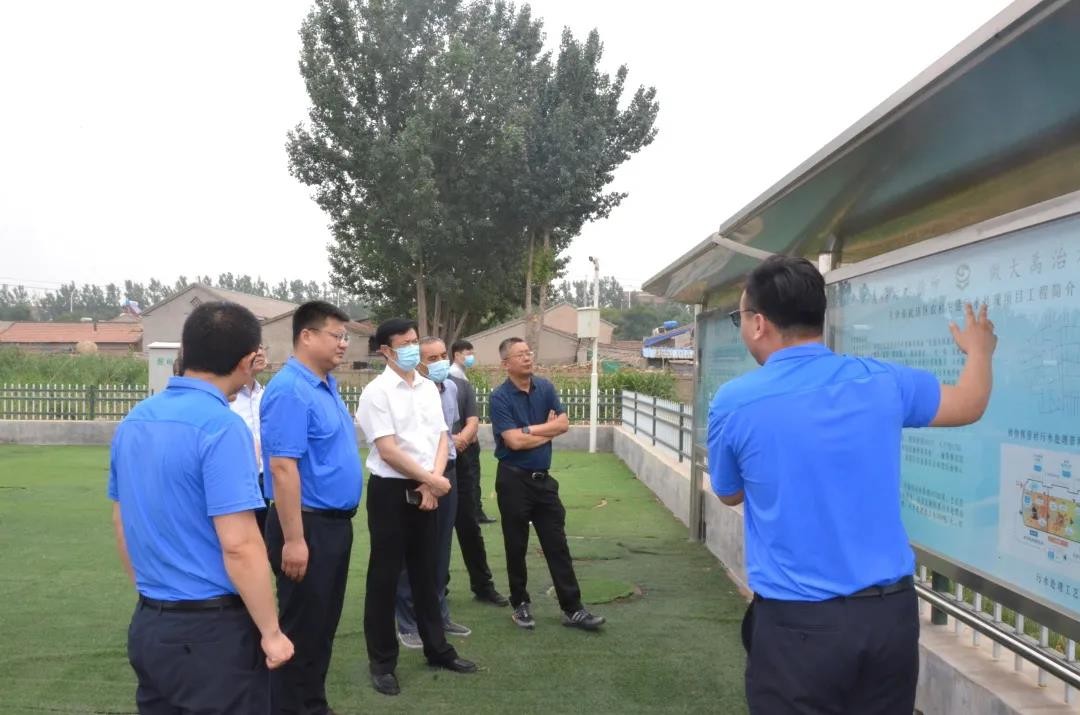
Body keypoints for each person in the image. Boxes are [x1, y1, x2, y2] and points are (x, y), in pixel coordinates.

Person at [707, 255, 997, 714]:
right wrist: (979, 351)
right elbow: (969, 404)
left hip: (797, 626)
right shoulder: (883, 381)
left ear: (758, 323)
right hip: (889, 619)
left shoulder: (734, 402)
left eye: (740, 316)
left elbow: (728, 492)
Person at [108, 301, 294, 714]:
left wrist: (153, 594)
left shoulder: (136, 420)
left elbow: (122, 521)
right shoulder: (222, 426)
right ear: (247, 361)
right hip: (211, 634)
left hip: (151, 623)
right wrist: (271, 632)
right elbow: (240, 544)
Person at [356, 318, 477, 696]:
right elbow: (387, 449)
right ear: (386, 351)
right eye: (405, 344)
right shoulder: (376, 392)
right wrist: (431, 480)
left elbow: (441, 436)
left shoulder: (427, 386)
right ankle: (382, 663)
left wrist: (433, 480)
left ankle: (437, 649)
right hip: (391, 492)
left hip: (429, 486)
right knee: (385, 577)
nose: (412, 348)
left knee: (428, 574)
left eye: (414, 341)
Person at [261, 301, 363, 715]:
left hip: (333, 526)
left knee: (321, 628)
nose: (344, 344)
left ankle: (312, 705)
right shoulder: (290, 389)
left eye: (345, 337)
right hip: (306, 526)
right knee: (301, 630)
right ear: (306, 336)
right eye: (337, 336)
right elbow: (283, 468)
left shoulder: (325, 385)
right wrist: (294, 540)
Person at [489, 337, 606, 631]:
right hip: (513, 480)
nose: (527, 357)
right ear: (506, 363)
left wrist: (530, 430)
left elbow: (563, 424)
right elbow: (514, 442)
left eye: (529, 352)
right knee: (516, 545)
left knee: (557, 544)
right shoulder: (500, 397)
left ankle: (573, 608)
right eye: (520, 354)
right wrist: (547, 430)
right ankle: (520, 603)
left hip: (543, 482)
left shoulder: (546, 388)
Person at [393, 337, 476, 649]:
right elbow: (410, 441)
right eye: (432, 358)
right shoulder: (409, 393)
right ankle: (407, 621)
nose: (440, 362)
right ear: (419, 363)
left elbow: (445, 435)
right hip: (419, 478)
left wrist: (441, 474)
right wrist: (427, 479)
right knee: (413, 551)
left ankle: (439, 614)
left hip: (446, 475)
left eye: (443, 356)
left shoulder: (451, 388)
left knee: (441, 549)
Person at [447, 345, 509, 607]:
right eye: (430, 357)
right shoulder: (421, 390)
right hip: (432, 467)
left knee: (469, 526)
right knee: (436, 533)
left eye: (439, 356)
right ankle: (438, 587)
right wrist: (449, 442)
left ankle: (483, 585)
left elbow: (473, 420)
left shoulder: (461, 386)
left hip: (462, 462)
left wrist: (460, 439)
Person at [449, 339, 497, 524]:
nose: (471, 357)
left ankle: (472, 511)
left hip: (463, 436)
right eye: (467, 354)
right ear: (456, 355)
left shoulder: (460, 376)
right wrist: (465, 436)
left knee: (468, 477)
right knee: (469, 478)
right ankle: (474, 512)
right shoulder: (455, 377)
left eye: (472, 353)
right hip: (463, 438)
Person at [230, 343, 269, 534]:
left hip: (264, 478)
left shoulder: (265, 394)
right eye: (254, 349)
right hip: (238, 480)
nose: (260, 353)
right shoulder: (229, 397)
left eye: (262, 348)